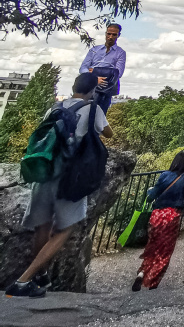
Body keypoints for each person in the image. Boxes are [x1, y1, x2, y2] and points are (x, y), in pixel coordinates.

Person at [5, 73, 113, 298]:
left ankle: (40, 276)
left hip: (44, 173)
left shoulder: (55, 108)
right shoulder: (93, 109)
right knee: (65, 230)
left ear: (73, 87)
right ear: (92, 90)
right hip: (70, 178)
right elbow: (108, 133)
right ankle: (24, 281)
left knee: (42, 226)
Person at [133, 151, 184, 291]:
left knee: (152, 245)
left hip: (156, 214)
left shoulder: (164, 175)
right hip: (172, 216)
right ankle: (152, 281)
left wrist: (149, 195)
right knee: (165, 251)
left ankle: (142, 272)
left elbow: (153, 194)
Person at [79, 23, 126, 114]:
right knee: (83, 114)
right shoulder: (94, 50)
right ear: (105, 34)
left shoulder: (120, 53)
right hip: (89, 87)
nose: (110, 37)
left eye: (114, 34)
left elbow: (118, 73)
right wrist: (95, 79)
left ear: (118, 35)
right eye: (109, 34)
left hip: (105, 89)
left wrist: (94, 71)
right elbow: (83, 68)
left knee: (99, 116)